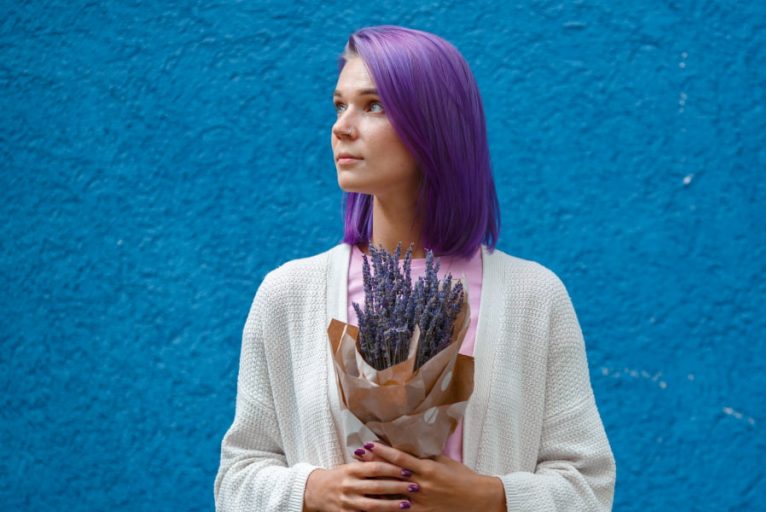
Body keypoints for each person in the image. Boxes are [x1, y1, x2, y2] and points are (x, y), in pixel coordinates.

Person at [214, 25, 615, 512]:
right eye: (339, 105)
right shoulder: (288, 295)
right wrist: (312, 491)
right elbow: (236, 479)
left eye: (373, 105)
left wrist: (492, 498)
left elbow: (589, 487)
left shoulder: (535, 298)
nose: (341, 126)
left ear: (434, 124)